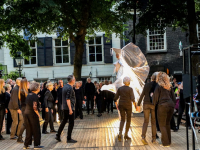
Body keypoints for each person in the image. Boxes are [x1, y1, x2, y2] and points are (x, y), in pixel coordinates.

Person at [153, 72, 176, 147]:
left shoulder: (159, 86)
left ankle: (165, 143)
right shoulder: (170, 86)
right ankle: (169, 141)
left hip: (162, 106)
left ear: (159, 78)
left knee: (162, 125)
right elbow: (174, 98)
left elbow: (155, 99)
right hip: (171, 105)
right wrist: (173, 105)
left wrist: (152, 99)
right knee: (167, 124)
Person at [137, 72, 158, 145]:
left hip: (146, 104)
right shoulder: (156, 85)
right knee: (153, 122)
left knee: (146, 121)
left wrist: (138, 104)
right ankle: (154, 139)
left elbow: (142, 94)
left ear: (151, 78)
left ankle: (143, 137)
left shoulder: (146, 85)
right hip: (153, 105)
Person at [56, 75, 77, 143]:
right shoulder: (69, 88)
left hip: (65, 107)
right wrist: (70, 109)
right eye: (74, 79)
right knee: (71, 123)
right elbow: (68, 99)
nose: (75, 80)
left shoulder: (65, 86)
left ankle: (58, 134)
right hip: (69, 108)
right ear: (72, 80)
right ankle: (69, 138)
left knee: (64, 121)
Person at [113, 77, 136, 141]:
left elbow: (115, 98)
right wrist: (136, 106)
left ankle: (120, 133)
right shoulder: (130, 89)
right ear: (129, 82)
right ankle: (126, 135)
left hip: (121, 105)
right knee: (128, 120)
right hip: (128, 105)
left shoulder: (120, 89)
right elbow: (133, 99)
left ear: (123, 82)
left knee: (122, 120)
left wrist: (116, 105)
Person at [23, 82, 43, 149]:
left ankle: (26, 145)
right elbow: (34, 107)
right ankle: (36, 145)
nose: (40, 88)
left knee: (29, 130)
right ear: (37, 88)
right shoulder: (35, 96)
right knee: (36, 129)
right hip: (32, 114)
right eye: (39, 87)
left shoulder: (29, 95)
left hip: (26, 114)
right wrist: (38, 115)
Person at [17, 79, 29, 143]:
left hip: (25, 108)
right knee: (25, 123)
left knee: (26, 123)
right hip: (25, 108)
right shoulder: (23, 91)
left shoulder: (22, 90)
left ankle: (27, 136)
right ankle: (19, 137)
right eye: (27, 82)